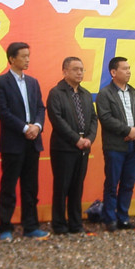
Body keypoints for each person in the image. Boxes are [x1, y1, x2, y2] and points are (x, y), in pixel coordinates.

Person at [0, 42, 49, 241]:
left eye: (28, 55)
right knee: (9, 186)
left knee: (30, 187)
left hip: (33, 142)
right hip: (13, 142)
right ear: (12, 59)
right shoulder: (0, 83)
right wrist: (25, 128)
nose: (27, 59)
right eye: (23, 56)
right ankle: (5, 227)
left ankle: (30, 226)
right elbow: (3, 112)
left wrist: (37, 126)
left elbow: (40, 108)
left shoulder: (32, 82)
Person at [46, 57, 98, 234]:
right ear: (65, 71)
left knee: (77, 186)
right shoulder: (56, 93)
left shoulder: (85, 94)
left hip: (84, 147)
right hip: (64, 147)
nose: (79, 73)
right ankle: (59, 224)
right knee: (62, 187)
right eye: (75, 69)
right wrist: (76, 139)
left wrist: (89, 138)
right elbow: (57, 120)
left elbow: (93, 119)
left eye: (82, 69)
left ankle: (76, 223)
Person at [96, 57, 135, 231]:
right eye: (124, 68)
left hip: (134, 145)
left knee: (128, 184)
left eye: (129, 68)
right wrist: (127, 131)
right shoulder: (105, 93)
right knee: (112, 184)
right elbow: (105, 118)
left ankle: (123, 218)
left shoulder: (133, 92)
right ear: (113, 72)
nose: (128, 71)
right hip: (115, 146)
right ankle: (110, 219)